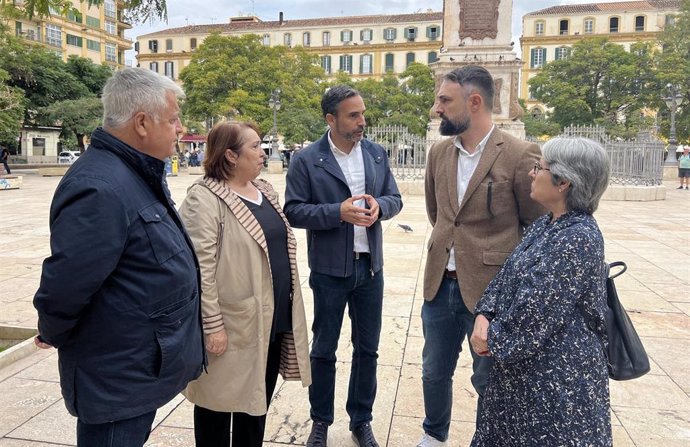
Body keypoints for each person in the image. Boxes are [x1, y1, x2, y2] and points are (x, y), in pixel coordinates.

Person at [32, 67, 205, 446]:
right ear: (142, 123)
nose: (180, 128)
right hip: (116, 376)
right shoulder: (99, 186)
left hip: (136, 366)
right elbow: (67, 284)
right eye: (174, 118)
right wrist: (53, 330)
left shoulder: (131, 172)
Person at [417, 65, 544, 447]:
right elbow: (439, 215)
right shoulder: (439, 152)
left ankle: (490, 438)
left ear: (474, 103)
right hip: (440, 284)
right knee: (432, 371)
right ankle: (433, 435)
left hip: (491, 292)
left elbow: (534, 226)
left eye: (444, 100)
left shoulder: (520, 154)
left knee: (488, 376)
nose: (436, 108)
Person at [469, 137, 612, 446]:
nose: (533, 174)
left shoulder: (578, 238)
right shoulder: (547, 223)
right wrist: (485, 313)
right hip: (525, 376)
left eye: (540, 168)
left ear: (563, 182)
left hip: (556, 386)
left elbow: (536, 312)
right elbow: (506, 275)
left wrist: (491, 337)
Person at [284, 85, 403, 447]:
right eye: (353, 115)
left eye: (362, 113)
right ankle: (320, 421)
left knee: (368, 349)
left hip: (370, 269)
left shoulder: (376, 154)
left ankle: (361, 419)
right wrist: (337, 212)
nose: (362, 121)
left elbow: (394, 198)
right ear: (330, 119)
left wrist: (380, 207)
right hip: (329, 271)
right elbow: (294, 210)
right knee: (324, 349)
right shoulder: (307, 159)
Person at [180, 121, 312, 447]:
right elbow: (199, 271)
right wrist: (212, 326)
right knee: (216, 406)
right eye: (254, 146)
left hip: (270, 321)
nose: (263, 152)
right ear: (230, 155)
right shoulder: (205, 199)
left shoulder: (265, 190)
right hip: (231, 325)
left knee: (255, 407)